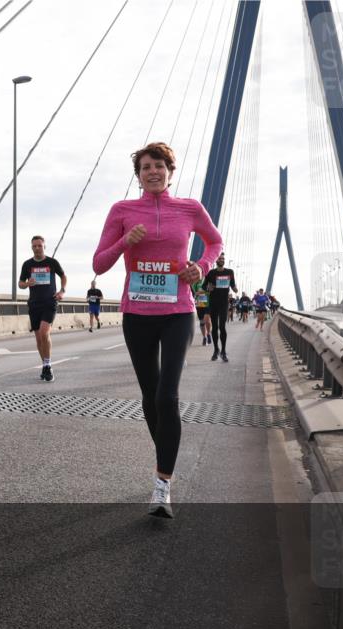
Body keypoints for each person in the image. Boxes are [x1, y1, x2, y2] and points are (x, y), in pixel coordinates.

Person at [92, 142, 222, 519]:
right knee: (150, 395)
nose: (153, 172)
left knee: (168, 396)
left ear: (170, 171)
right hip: (137, 314)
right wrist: (124, 241)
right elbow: (99, 264)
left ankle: (162, 483)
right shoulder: (122, 211)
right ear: (138, 175)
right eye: (146, 167)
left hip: (178, 311)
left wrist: (201, 265)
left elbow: (214, 241)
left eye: (159, 166)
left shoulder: (190, 208)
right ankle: (164, 454)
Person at [18, 236, 66, 380]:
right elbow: (20, 283)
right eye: (34, 246)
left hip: (49, 302)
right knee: (39, 340)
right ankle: (46, 366)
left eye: (40, 246)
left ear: (44, 246)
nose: (37, 248)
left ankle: (48, 365)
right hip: (34, 304)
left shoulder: (52, 262)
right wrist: (27, 284)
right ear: (31, 247)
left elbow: (63, 276)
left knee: (45, 333)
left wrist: (62, 291)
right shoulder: (27, 264)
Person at [201, 254, 237, 362]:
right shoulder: (211, 273)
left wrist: (235, 289)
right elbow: (204, 286)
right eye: (220, 259)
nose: (222, 260)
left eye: (223, 259)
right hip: (213, 303)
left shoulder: (229, 272)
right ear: (216, 261)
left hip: (223, 303)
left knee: (222, 327)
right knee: (215, 328)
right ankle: (216, 349)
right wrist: (208, 287)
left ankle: (223, 351)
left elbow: (233, 285)